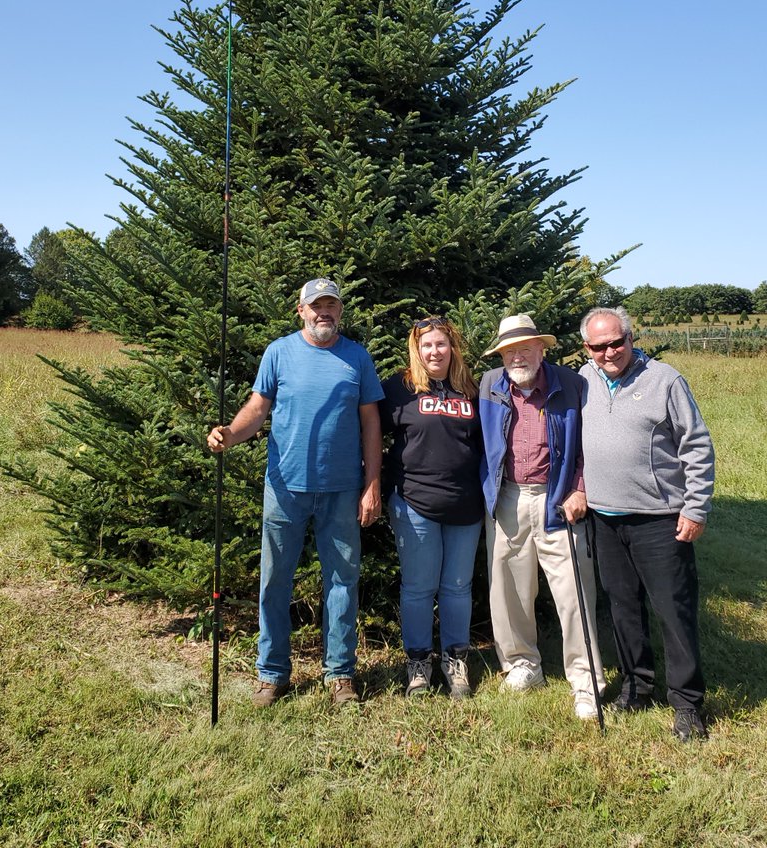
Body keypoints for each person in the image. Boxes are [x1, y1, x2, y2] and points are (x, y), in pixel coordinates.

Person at [208, 278, 384, 708]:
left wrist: (372, 484)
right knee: (275, 581)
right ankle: (272, 674)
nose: (324, 312)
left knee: (342, 581)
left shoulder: (356, 358)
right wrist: (230, 434)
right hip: (284, 487)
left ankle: (340, 673)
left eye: (331, 305)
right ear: (301, 311)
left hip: (342, 489)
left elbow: (371, 424)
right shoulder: (279, 352)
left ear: (340, 311)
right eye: (316, 305)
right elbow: (256, 409)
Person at [579, 306, 715, 742]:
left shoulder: (665, 380)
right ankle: (636, 686)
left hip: (660, 519)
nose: (609, 352)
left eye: (617, 342)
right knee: (622, 607)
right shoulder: (579, 381)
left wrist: (695, 507)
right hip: (604, 517)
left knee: (673, 610)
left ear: (631, 338)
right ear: (587, 347)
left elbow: (695, 443)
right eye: (599, 346)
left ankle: (687, 704)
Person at [479, 313, 605, 720]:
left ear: (541, 349)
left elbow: (593, 443)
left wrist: (580, 488)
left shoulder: (572, 385)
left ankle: (586, 681)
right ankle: (522, 664)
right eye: (509, 351)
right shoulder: (488, 386)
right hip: (507, 499)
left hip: (558, 499)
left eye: (525, 349)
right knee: (508, 588)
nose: (518, 357)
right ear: (501, 356)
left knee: (573, 593)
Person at [381, 316, 484, 700]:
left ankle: (455, 661)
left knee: (457, 588)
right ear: (416, 350)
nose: (434, 352)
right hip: (414, 504)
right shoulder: (399, 388)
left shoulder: (470, 388)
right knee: (419, 588)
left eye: (441, 344)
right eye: (426, 346)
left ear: (452, 347)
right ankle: (419, 663)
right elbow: (370, 432)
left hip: (466, 504)